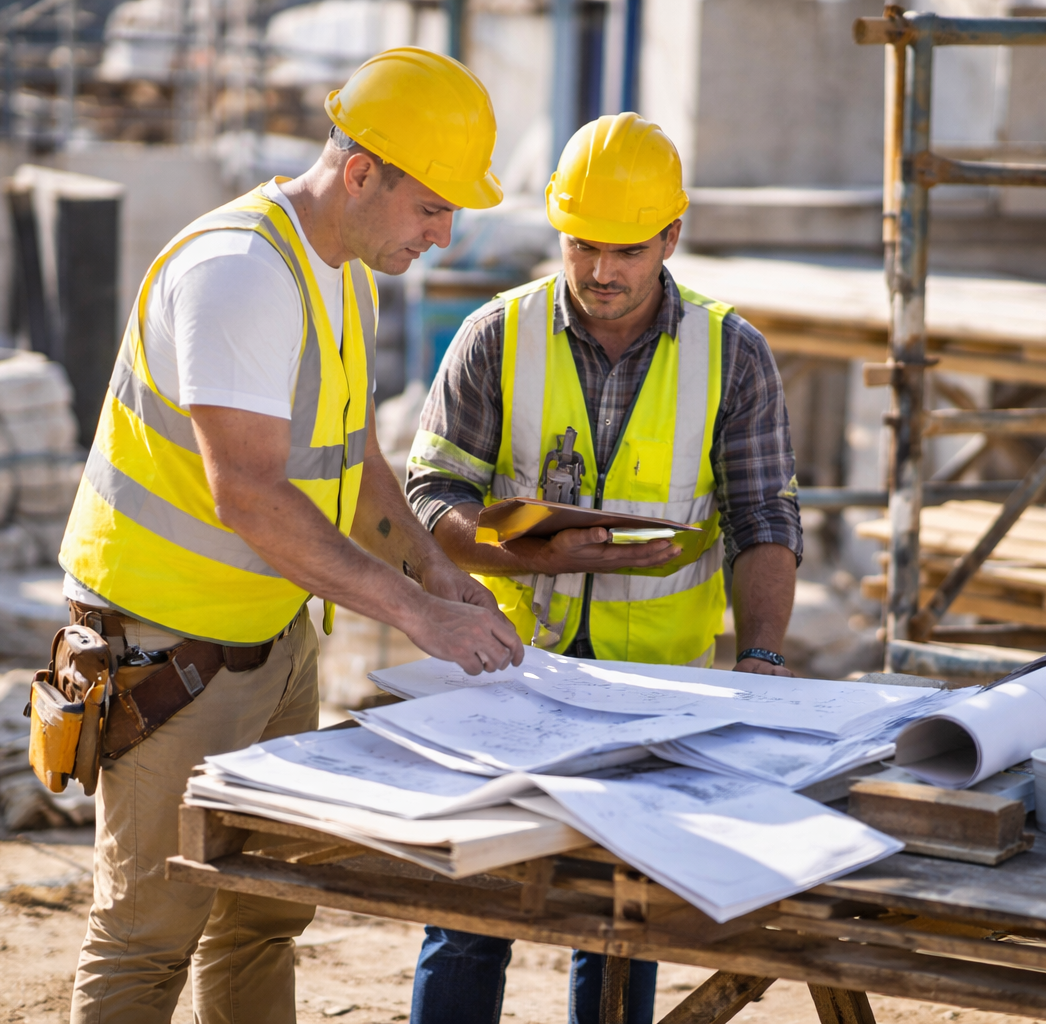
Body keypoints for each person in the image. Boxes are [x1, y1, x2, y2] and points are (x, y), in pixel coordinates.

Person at [59, 48, 524, 1024]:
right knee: (147, 937)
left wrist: (438, 575)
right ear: (361, 173)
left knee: (263, 914)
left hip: (271, 639)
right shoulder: (240, 275)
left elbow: (348, 458)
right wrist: (416, 616)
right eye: (432, 208)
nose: (443, 238)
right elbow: (252, 494)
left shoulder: (341, 266)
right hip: (166, 654)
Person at [404, 112, 803, 1024]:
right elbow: (429, 500)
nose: (601, 272)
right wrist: (526, 551)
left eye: (627, 249)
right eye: (583, 245)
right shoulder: (495, 337)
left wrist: (765, 659)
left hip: (654, 687)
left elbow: (763, 517)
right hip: (505, 672)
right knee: (469, 910)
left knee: (623, 921)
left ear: (671, 234)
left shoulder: (731, 354)